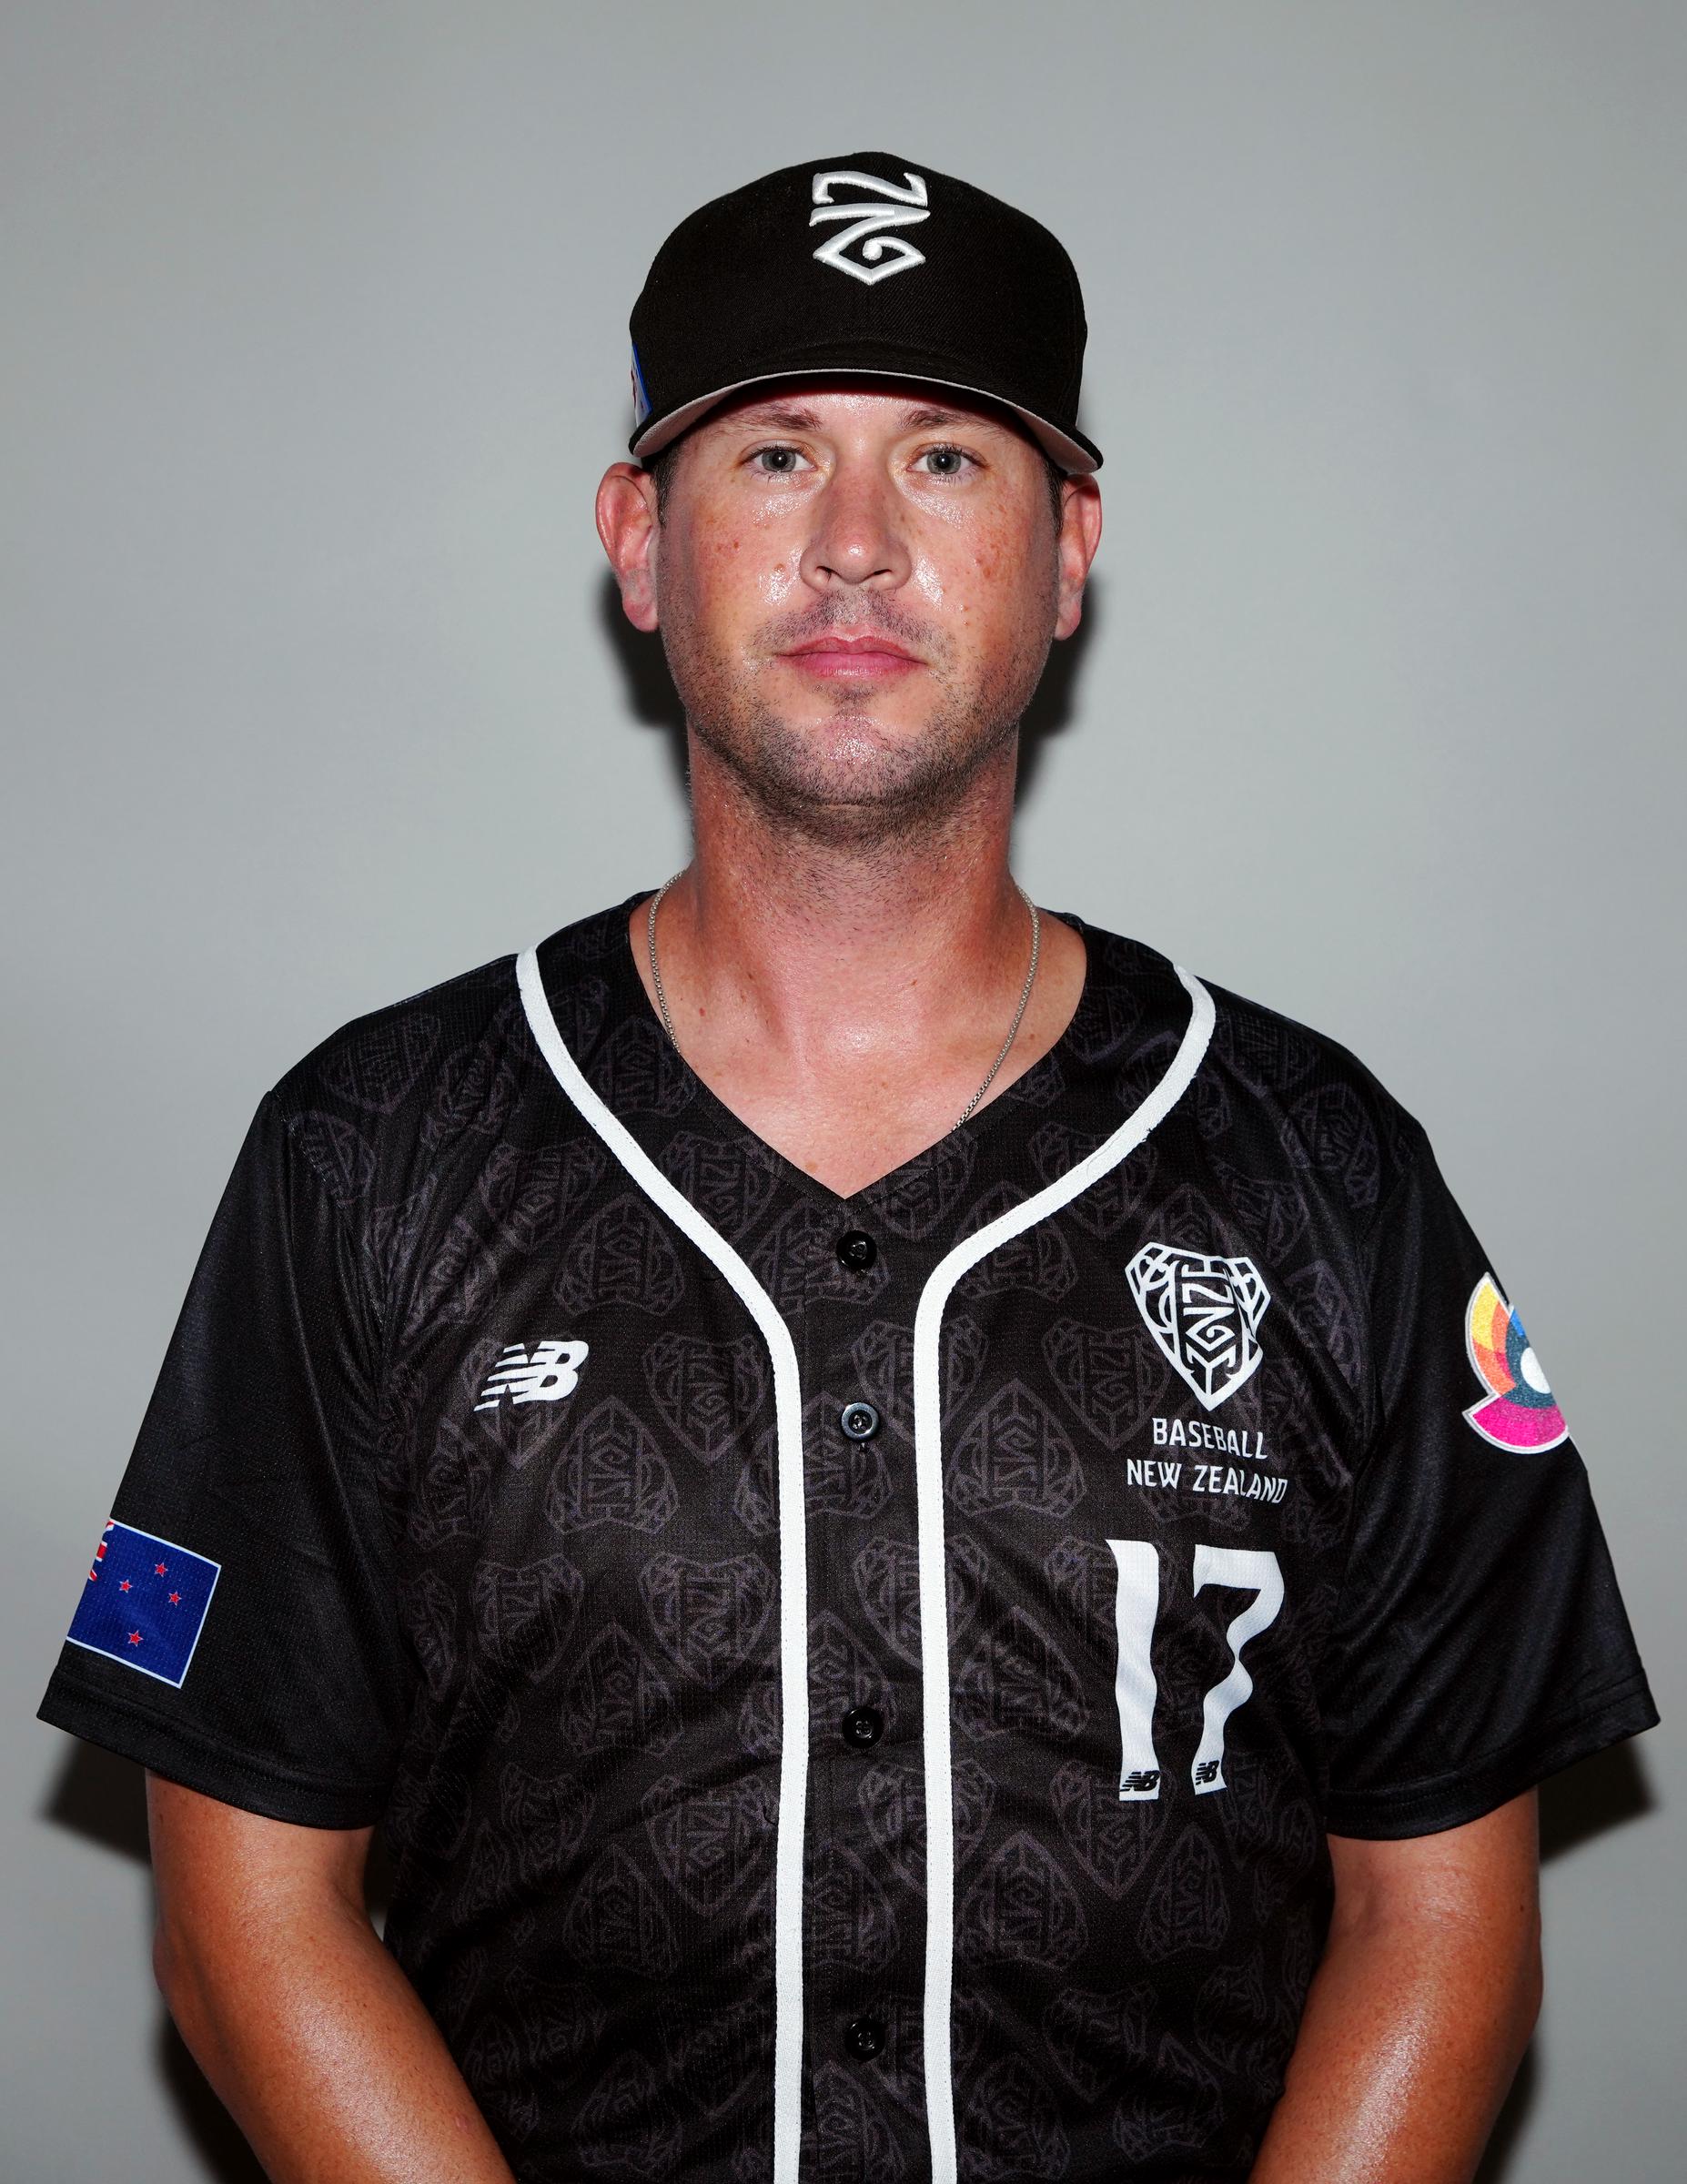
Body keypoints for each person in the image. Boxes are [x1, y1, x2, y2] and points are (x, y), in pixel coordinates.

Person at [38, 151, 1657, 2184]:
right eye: (780, 454)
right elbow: (246, 1912)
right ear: (641, 540)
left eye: (952, 462)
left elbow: (1443, 1916)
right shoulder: (374, 1158)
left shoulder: (1322, 1173)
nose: (862, 548)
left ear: (1072, 550)